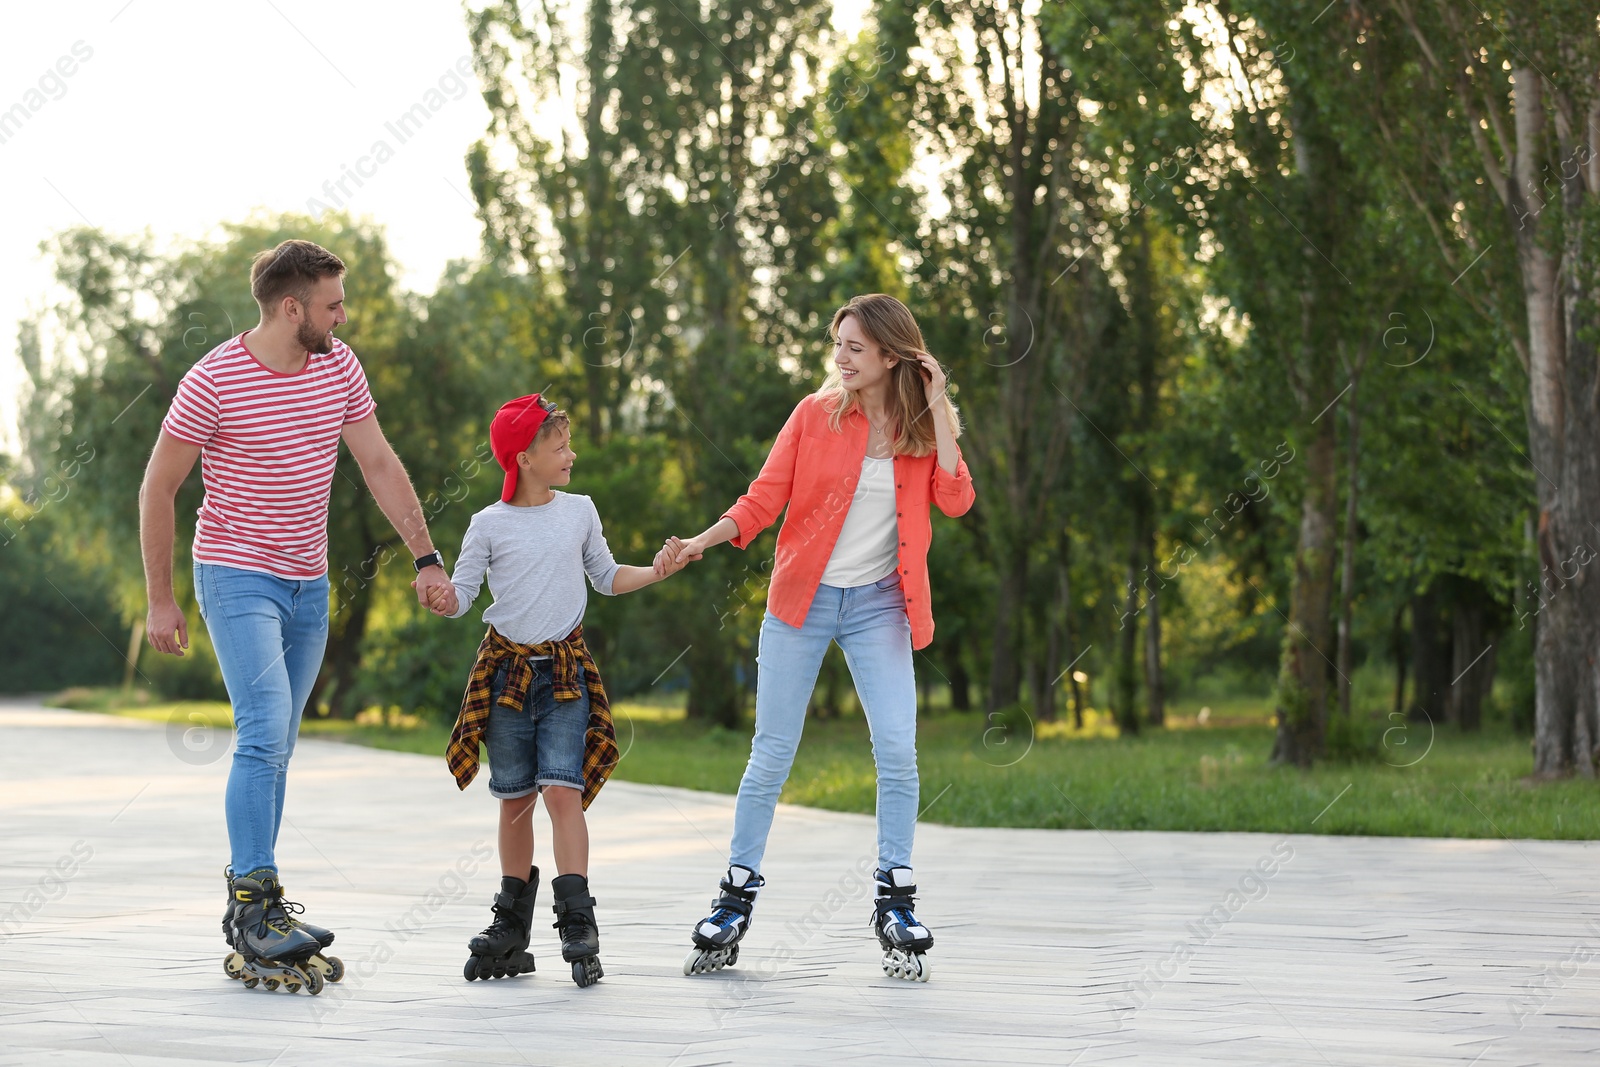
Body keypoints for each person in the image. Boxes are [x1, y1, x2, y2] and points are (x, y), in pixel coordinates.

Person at [139, 239, 455, 994]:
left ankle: (262, 905)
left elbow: (378, 461)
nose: (342, 317)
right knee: (263, 724)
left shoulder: (338, 367)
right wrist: (160, 595)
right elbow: (159, 485)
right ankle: (255, 905)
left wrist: (425, 555)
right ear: (292, 307)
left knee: (277, 742)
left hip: (307, 584)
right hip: (234, 573)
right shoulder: (213, 379)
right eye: (332, 304)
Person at [662, 293, 975, 983]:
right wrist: (703, 540)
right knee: (771, 751)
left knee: (897, 746)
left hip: (879, 607)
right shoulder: (813, 415)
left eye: (855, 347)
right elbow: (762, 496)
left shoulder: (922, 430)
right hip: (801, 601)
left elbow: (956, 497)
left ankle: (895, 895)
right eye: (838, 343)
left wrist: (941, 401)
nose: (840, 357)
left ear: (892, 355)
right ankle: (735, 896)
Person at [430, 393, 689, 988]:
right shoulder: (487, 524)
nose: (571, 454)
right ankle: (510, 923)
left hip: (566, 676)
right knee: (514, 798)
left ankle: (577, 917)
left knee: (561, 793)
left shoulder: (580, 511)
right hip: (506, 680)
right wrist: (442, 596)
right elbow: (463, 596)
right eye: (560, 446)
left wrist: (653, 571)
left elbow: (606, 576)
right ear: (524, 457)